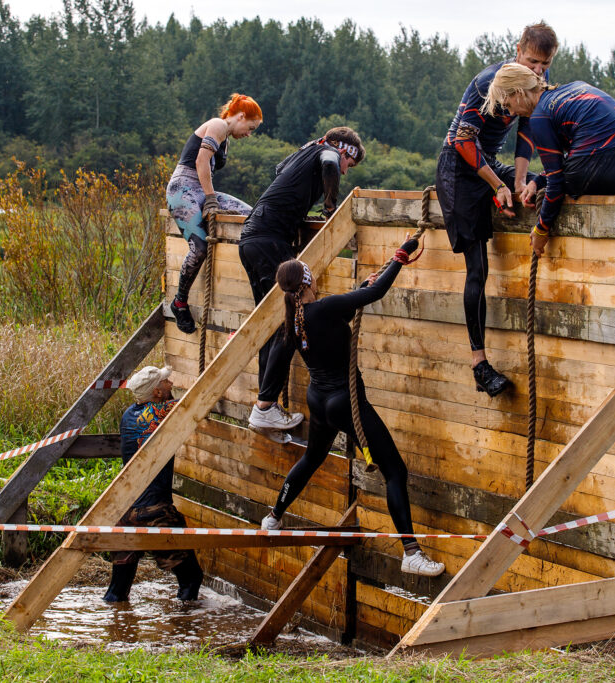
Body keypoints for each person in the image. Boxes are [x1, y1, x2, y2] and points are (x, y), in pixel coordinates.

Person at [260, 246, 446, 578]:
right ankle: (412, 553)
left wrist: (360, 286)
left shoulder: (295, 320)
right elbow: (376, 293)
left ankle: (273, 517)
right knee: (395, 473)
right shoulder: (326, 307)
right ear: (308, 280)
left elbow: (343, 309)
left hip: (318, 399)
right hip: (346, 402)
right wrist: (401, 255)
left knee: (311, 459)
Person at [434, 21, 558, 397]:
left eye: (544, 65)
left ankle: (515, 186)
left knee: (548, 178)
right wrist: (497, 186)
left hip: (489, 162)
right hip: (459, 166)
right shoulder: (489, 82)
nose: (538, 71)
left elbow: (527, 130)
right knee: (479, 268)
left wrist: (520, 182)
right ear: (518, 50)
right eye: (533, 62)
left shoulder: (537, 80)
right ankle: (480, 365)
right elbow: (462, 142)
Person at [239, 126, 366, 442]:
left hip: (252, 238)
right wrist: (329, 205)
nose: (346, 170)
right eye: (350, 164)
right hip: (269, 240)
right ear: (344, 149)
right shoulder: (328, 151)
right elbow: (329, 164)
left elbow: (280, 169)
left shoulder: (301, 152)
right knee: (291, 325)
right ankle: (265, 405)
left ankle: (264, 409)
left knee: (273, 326)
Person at [484, 63, 615, 257]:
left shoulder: (540, 117)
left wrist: (541, 229)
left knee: (556, 193)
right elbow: (575, 156)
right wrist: (538, 180)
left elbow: (557, 183)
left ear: (519, 93)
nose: (512, 113)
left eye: (508, 105)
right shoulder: (574, 88)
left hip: (596, 167)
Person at [104, 365, 204, 603]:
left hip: (124, 512)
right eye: (166, 381)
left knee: (117, 590)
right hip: (156, 512)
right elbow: (200, 398)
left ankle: (115, 626)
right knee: (192, 578)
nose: (171, 383)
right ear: (157, 393)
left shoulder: (128, 414)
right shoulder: (165, 411)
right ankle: (186, 628)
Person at [167, 93, 263, 334]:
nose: (249, 134)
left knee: (252, 216)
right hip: (183, 187)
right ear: (240, 116)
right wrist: (210, 199)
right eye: (250, 127)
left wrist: (210, 196)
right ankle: (179, 302)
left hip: (200, 188)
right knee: (199, 248)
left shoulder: (225, 137)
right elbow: (201, 161)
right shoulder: (218, 125)